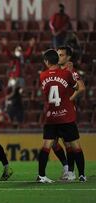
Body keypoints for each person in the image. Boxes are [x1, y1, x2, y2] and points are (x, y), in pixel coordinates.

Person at [37, 49, 86, 183]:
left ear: (47, 62)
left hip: (51, 116)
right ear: (57, 60)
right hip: (66, 115)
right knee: (74, 145)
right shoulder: (67, 74)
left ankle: (42, 175)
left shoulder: (42, 76)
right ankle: (81, 175)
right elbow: (78, 87)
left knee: (47, 145)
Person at [53, 46, 86, 181]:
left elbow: (82, 87)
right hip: (55, 112)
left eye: (61, 55)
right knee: (53, 143)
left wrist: (68, 100)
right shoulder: (55, 71)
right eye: (57, 54)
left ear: (68, 58)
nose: (58, 57)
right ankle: (67, 168)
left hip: (66, 112)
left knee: (68, 144)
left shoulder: (71, 72)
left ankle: (72, 172)